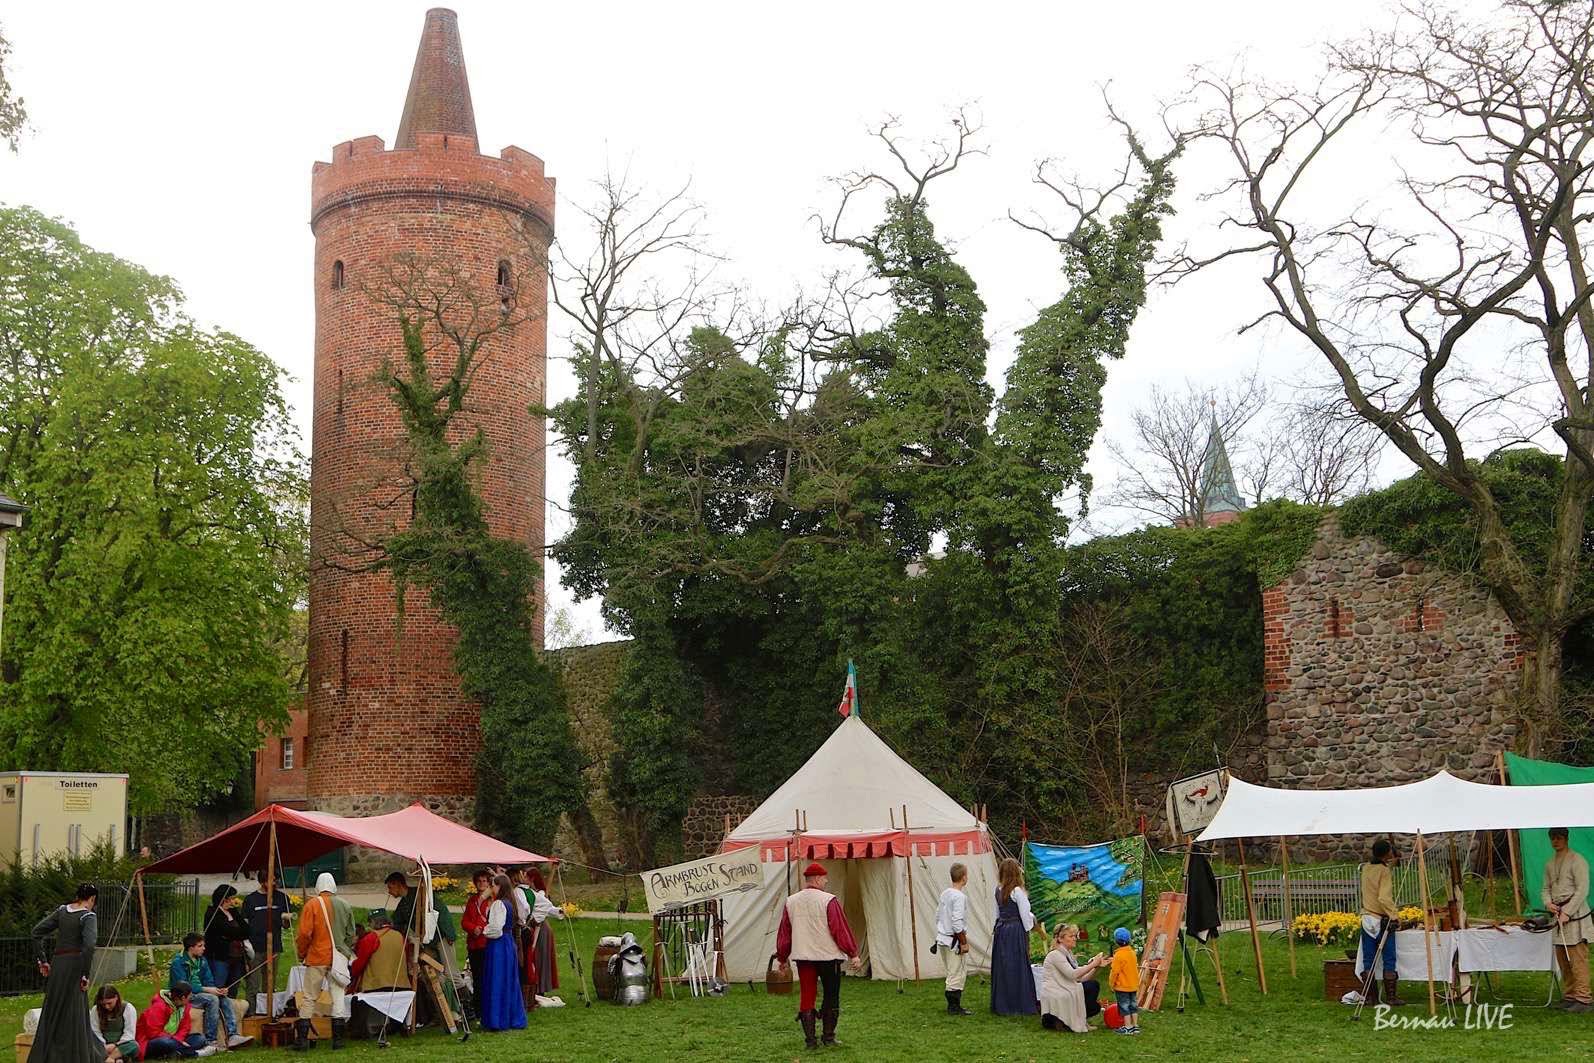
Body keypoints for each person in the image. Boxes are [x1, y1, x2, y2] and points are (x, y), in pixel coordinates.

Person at [775, 863, 861, 1050]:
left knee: (807, 996)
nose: (826, 880)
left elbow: (785, 933)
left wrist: (782, 957)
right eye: (824, 878)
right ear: (816, 879)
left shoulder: (791, 901)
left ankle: (811, 1040)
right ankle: (828, 1037)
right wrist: (852, 953)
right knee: (831, 995)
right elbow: (839, 930)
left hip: (804, 957)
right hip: (828, 957)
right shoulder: (828, 900)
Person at [32, 883, 100, 1063]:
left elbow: (36, 932)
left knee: (53, 1010)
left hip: (58, 965)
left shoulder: (62, 911)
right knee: (73, 1011)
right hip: (74, 966)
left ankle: (47, 1056)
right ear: (92, 899)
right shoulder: (88, 916)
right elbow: (89, 945)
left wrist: (43, 960)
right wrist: (85, 973)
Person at [293, 872, 355, 1051]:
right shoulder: (345, 905)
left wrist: (302, 953)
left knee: (310, 997)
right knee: (338, 997)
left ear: (318, 887)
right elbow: (351, 934)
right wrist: (343, 950)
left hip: (317, 956)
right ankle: (338, 1041)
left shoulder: (312, 904)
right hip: (338, 957)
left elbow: (304, 934)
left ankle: (303, 1041)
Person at [167, 933, 249, 1050]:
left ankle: (233, 1035)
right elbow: (182, 987)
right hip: (183, 996)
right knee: (212, 999)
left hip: (199, 993)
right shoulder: (178, 963)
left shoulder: (202, 961)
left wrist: (217, 990)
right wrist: (207, 990)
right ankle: (211, 1041)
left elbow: (209, 980)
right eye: (200, 946)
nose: (204, 949)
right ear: (191, 948)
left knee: (221, 997)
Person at [1543, 827, 1592, 1012]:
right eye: (1553, 838)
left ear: (1566, 838)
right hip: (1558, 914)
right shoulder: (1549, 863)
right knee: (1562, 957)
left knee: (1577, 957)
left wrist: (1567, 912)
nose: (1555, 841)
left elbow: (1582, 890)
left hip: (1576, 914)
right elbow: (1545, 889)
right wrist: (1549, 904)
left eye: (1559, 837)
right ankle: (1570, 995)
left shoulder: (1577, 860)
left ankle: (1584, 997)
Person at [989, 857, 1038, 1016]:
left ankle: (1003, 1003)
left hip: (1002, 930)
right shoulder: (1017, 891)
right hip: (1015, 930)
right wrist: (1029, 928)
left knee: (1004, 966)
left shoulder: (998, 889)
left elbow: (997, 914)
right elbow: (1025, 916)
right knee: (1017, 965)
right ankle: (1018, 1003)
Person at [1359, 838, 1405, 1007]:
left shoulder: (1366, 868)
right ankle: (1391, 997)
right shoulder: (1383, 871)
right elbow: (1384, 898)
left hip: (1366, 917)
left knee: (1368, 960)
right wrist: (1395, 916)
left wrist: (1393, 861)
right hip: (1381, 919)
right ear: (1387, 854)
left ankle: (1371, 997)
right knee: (1389, 958)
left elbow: (1380, 870)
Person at [480, 873, 528, 1031]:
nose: (491, 888)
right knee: (508, 980)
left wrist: (484, 931)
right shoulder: (510, 903)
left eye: (493, 885)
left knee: (497, 979)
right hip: (508, 943)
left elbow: (496, 929)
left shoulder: (499, 904)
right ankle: (510, 1017)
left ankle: (497, 1019)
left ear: (499, 887)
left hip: (499, 944)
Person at [239, 870, 290, 1017]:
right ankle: (252, 1013)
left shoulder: (282, 898)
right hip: (255, 947)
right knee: (253, 983)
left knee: (270, 983)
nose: (274, 883)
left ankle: (269, 1012)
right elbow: (245, 923)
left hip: (273, 946)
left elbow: (286, 925)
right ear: (262, 881)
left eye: (275, 880)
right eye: (270, 880)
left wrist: (286, 919)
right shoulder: (251, 900)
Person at [1039, 923, 1107, 1033]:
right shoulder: (1055, 954)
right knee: (1092, 988)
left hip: (1065, 989)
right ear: (1060, 939)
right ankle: (1060, 1020)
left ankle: (1074, 1020)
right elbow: (1073, 975)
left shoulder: (1068, 954)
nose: (1075, 939)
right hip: (1056, 991)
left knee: (1093, 990)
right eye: (1071, 936)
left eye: (1075, 936)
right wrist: (1093, 964)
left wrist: (1097, 967)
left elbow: (1081, 979)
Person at [136, 982, 216, 1059]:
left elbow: (185, 1026)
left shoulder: (184, 1005)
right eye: (189, 996)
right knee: (166, 1043)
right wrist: (177, 1040)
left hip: (174, 1038)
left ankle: (173, 1053)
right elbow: (153, 1033)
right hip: (153, 1041)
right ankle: (195, 1054)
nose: (191, 998)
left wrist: (179, 1039)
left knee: (200, 1038)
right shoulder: (159, 1007)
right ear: (183, 998)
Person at [933, 862, 972, 1015]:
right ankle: (954, 1007)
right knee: (956, 973)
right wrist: (963, 942)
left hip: (943, 938)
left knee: (952, 972)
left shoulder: (945, 893)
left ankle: (953, 1006)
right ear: (963, 878)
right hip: (952, 940)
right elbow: (957, 922)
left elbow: (938, 916)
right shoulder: (959, 897)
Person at [202, 886, 249, 1008]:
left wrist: (234, 934)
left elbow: (247, 931)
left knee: (233, 987)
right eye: (232, 898)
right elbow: (228, 931)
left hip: (236, 957)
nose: (234, 901)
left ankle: (230, 1012)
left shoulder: (233, 912)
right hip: (220, 957)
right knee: (219, 987)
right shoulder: (213, 913)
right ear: (224, 899)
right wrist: (235, 934)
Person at [522, 867, 565, 1001]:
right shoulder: (528, 892)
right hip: (532, 928)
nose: (523, 879)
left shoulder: (539, 893)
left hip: (540, 929)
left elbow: (547, 907)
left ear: (532, 879)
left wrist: (560, 911)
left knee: (540, 957)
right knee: (533, 957)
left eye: (525, 876)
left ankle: (540, 987)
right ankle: (533, 987)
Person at [349, 911, 408, 994]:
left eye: (369, 922)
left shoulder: (371, 937)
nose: (368, 925)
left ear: (373, 922)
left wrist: (351, 973)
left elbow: (359, 964)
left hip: (375, 987)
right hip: (402, 986)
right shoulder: (400, 936)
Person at [460, 869, 494, 1013]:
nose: (481, 884)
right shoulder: (472, 900)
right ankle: (479, 1008)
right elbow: (465, 921)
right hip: (474, 945)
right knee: (477, 978)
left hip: (487, 944)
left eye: (484, 881)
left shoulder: (492, 901)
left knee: (488, 977)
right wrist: (473, 928)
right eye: (479, 881)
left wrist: (483, 929)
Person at [91, 985, 140, 1062]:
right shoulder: (95, 1010)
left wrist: (115, 1045)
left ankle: (109, 1058)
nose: (106, 1007)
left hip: (121, 1044)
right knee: (88, 1045)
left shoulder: (128, 1008)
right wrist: (104, 1046)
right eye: (103, 1004)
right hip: (103, 1045)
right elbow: (95, 1032)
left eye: (109, 1003)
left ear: (116, 997)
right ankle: (119, 1058)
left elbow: (129, 1034)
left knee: (134, 1046)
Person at [1108, 927, 1141, 1035]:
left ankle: (1127, 1027)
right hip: (1133, 985)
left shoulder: (1118, 955)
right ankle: (1135, 1026)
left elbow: (1115, 972)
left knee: (1124, 1006)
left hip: (1122, 987)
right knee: (1133, 1005)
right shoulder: (1132, 953)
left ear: (1116, 941)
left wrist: (1111, 984)